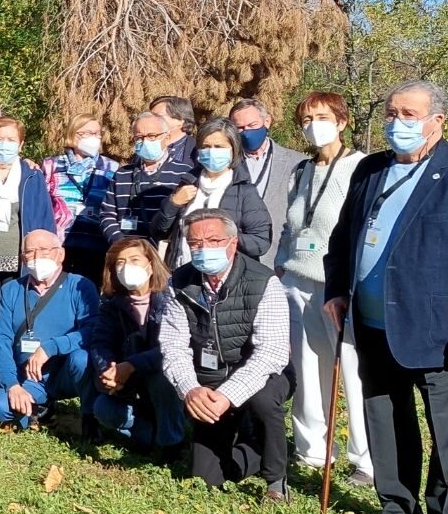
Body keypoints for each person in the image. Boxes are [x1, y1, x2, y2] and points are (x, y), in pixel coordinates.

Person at [325, 80, 448, 514]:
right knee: (385, 420)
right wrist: (336, 291)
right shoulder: (370, 169)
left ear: (437, 122)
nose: (396, 123)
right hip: (372, 324)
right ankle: (396, 511)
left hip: (439, 331)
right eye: (391, 113)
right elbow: (345, 236)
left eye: (408, 114)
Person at [161, 210, 292, 499]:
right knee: (206, 478)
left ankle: (276, 479)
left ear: (232, 243)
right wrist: (191, 390)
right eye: (194, 242)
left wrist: (228, 396)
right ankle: (257, 447)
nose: (203, 248)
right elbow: (173, 345)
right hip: (209, 375)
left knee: (262, 398)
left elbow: (271, 353)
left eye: (213, 240)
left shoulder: (264, 282)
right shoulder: (179, 283)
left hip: (262, 372)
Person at [276, 92, 370, 485]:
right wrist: (281, 268)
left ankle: (366, 459)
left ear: (342, 121)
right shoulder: (301, 171)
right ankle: (313, 449)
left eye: (322, 116)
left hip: (338, 286)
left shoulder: (362, 167)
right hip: (296, 281)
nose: (314, 125)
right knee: (307, 368)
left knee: (353, 371)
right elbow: (290, 225)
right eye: (307, 119)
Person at [0, 230, 97, 428]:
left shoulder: (80, 286)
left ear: (60, 254)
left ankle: (90, 417)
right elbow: (0, 340)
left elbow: (91, 330)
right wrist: (12, 385)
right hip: (26, 376)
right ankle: (38, 408)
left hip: (64, 372)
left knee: (83, 359)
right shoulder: (11, 290)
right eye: (30, 252)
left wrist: (51, 347)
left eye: (44, 250)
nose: (37, 257)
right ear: (22, 258)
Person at [84, 236, 183, 452]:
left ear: (150, 264)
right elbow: (100, 342)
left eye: (134, 260)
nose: (127, 267)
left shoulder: (172, 299)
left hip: (163, 378)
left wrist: (131, 365)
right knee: (103, 408)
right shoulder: (111, 304)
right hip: (130, 385)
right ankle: (147, 432)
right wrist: (108, 370)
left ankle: (172, 445)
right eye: (120, 262)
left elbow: (172, 349)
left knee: (162, 377)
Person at [153, 117, 272, 268]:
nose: (212, 152)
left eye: (219, 146)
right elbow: (158, 231)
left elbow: (261, 242)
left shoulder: (244, 191)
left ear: (233, 150)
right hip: (183, 273)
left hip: (227, 277)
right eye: (206, 146)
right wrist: (172, 204)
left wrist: (220, 240)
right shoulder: (187, 184)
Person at [0, 117, 59, 310]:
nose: (4, 145)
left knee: (15, 314)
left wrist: (45, 256)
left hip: (20, 264)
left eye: (11, 140)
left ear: (21, 145)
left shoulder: (32, 175)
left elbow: (44, 219)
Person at [227, 99, 306, 266]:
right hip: (235, 257)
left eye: (252, 125)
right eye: (240, 128)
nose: (246, 132)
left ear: (267, 121)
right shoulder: (225, 163)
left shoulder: (298, 163)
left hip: (279, 257)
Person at [42, 113, 116, 280]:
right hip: (60, 243)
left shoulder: (111, 167)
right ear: (73, 134)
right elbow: (43, 205)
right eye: (88, 133)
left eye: (97, 133)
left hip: (97, 243)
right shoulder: (51, 165)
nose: (95, 138)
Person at [99, 111, 187, 249]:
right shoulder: (122, 174)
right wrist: (121, 245)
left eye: (152, 136)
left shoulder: (183, 173)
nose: (145, 141)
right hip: (125, 252)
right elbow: (107, 214)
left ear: (167, 137)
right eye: (139, 137)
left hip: (162, 254)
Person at [148, 95, 197, 172]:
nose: (151, 120)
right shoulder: (146, 147)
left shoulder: (196, 150)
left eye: (158, 116)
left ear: (180, 120)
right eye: (151, 116)